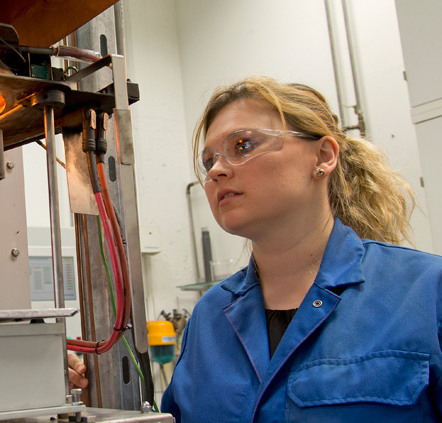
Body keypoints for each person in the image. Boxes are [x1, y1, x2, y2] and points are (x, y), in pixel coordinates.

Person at [160, 75, 442, 422]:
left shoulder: (426, 291)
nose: (217, 169)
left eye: (243, 145)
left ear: (323, 156)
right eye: (208, 161)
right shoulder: (209, 317)